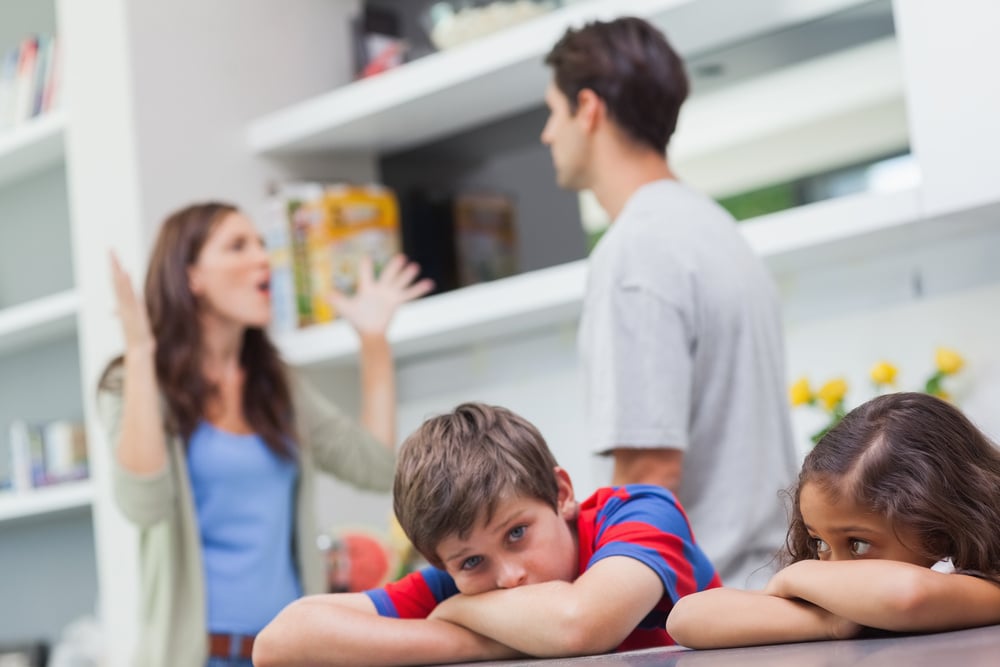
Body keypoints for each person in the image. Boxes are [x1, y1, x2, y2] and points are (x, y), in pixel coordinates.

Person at [96, 202, 432, 667]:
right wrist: (139, 353)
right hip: (198, 657)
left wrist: (373, 342)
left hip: (290, 654)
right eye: (238, 246)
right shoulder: (132, 385)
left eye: (261, 243)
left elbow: (377, 470)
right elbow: (143, 503)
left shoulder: (279, 386)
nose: (263, 258)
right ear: (191, 276)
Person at [540, 16, 798, 587]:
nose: (547, 134)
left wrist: (594, 606)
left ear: (588, 108)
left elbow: (648, 473)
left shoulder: (637, 250)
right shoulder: (717, 230)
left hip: (702, 605)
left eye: (552, 112)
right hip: (763, 586)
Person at [253, 402, 720, 666]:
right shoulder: (456, 580)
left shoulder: (638, 513)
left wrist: (459, 610)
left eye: (517, 533)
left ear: (561, 493)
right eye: (472, 562)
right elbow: (279, 643)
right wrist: (486, 637)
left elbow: (581, 624)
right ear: (441, 563)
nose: (509, 576)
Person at [666, 392, 1000, 648]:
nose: (830, 567)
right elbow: (685, 618)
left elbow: (906, 596)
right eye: (820, 543)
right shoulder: (841, 597)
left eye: (858, 544)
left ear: (937, 530)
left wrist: (794, 578)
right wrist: (831, 623)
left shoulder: (989, 588)